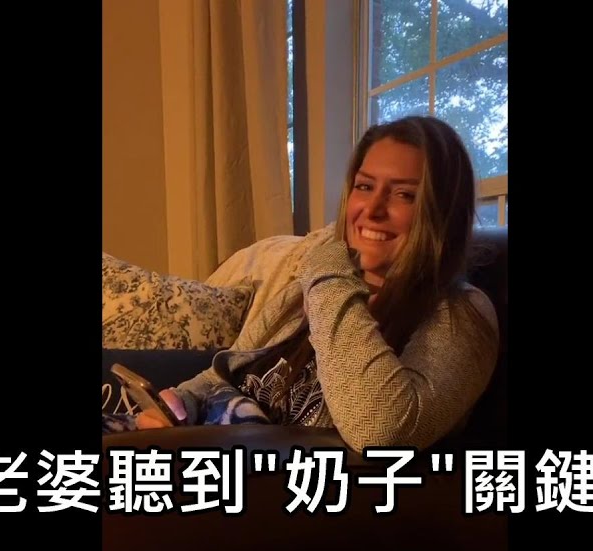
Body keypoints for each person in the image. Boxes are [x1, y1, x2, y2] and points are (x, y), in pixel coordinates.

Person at [107, 115, 498, 451]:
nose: (372, 209)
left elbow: (380, 433)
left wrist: (328, 264)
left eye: (404, 194)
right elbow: (222, 374)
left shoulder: (461, 313)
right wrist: (181, 403)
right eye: (364, 186)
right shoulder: (303, 291)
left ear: (442, 212)